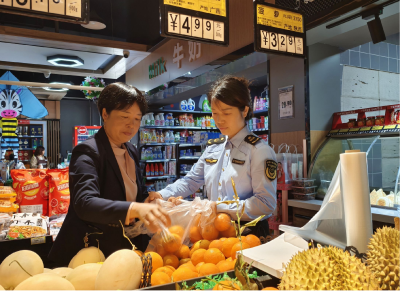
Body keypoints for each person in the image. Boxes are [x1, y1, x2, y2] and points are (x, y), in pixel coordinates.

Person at [49, 83, 170, 266]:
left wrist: (148, 201)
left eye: (137, 119)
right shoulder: (87, 151)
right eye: (124, 116)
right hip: (89, 252)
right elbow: (85, 202)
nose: (132, 124)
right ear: (105, 114)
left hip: (123, 250)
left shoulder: (131, 150)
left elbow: (130, 194)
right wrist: (135, 208)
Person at [151, 76, 277, 237]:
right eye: (215, 113)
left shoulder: (259, 151)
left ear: (244, 110)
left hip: (248, 233)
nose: (219, 120)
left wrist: (216, 207)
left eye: (226, 113)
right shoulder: (213, 148)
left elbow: (266, 203)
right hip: (214, 230)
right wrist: (163, 194)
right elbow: (191, 181)